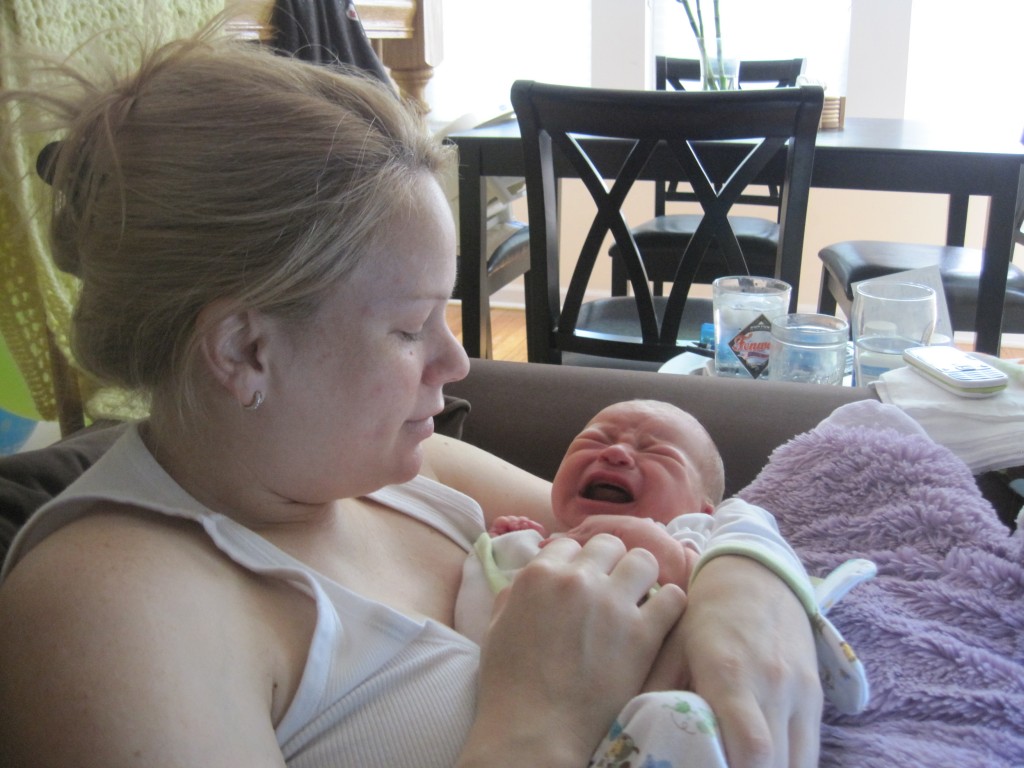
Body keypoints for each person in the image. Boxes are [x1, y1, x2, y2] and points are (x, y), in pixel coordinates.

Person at [0, 25, 823, 768]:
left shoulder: (409, 475)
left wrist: (748, 587)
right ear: (246, 349)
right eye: (409, 328)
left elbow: (676, 532)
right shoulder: (105, 610)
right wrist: (539, 717)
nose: (457, 363)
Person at [456, 400, 873, 766]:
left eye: (657, 451)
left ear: (701, 506)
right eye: (594, 440)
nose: (616, 452)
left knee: (683, 719)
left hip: (672, 715)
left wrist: (670, 554)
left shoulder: (694, 533)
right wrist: (511, 540)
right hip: (531, 709)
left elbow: (726, 594)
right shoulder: (542, 539)